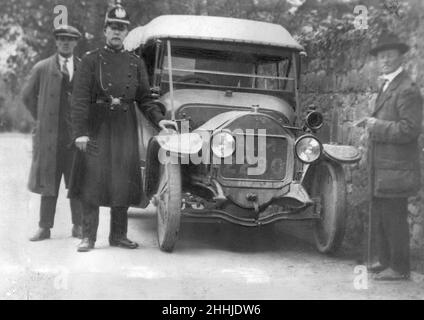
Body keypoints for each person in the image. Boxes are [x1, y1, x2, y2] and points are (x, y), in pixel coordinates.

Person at [70, 3, 175, 252]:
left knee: (122, 182)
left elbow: (145, 99)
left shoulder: (135, 63)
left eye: (121, 29)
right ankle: (88, 237)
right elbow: (79, 100)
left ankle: (118, 236)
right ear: (105, 30)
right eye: (113, 27)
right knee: (91, 181)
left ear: (126, 33)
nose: (117, 32)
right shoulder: (90, 60)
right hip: (97, 126)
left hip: (125, 126)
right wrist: (80, 133)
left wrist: (160, 119)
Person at [362, 31, 423, 280]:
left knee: (394, 215)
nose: (384, 60)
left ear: (400, 57)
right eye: (381, 56)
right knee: (383, 214)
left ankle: (399, 268)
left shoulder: (407, 89)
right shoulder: (388, 84)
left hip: (396, 167)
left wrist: (375, 125)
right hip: (385, 165)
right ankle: (385, 261)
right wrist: (369, 124)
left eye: (390, 55)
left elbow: (410, 129)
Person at [23, 25, 83, 241]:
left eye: (69, 39)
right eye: (61, 39)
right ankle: (44, 227)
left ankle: (79, 226)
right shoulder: (42, 68)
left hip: (74, 138)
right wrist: (41, 118)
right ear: (56, 42)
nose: (65, 42)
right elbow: (27, 96)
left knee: (76, 183)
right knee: (49, 183)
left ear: (76, 43)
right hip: (50, 137)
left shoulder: (83, 67)